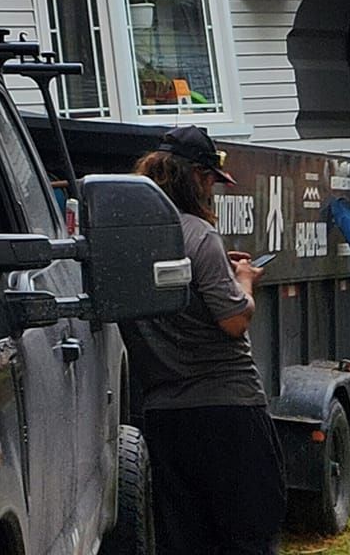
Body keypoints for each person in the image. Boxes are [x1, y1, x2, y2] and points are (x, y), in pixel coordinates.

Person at [121, 124, 286, 555]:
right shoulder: (199, 234)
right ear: (195, 175)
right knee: (248, 534)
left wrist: (217, 276)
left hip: (164, 417)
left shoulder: (125, 240)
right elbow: (233, 321)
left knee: (184, 541)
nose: (213, 188)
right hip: (228, 411)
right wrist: (245, 281)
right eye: (211, 178)